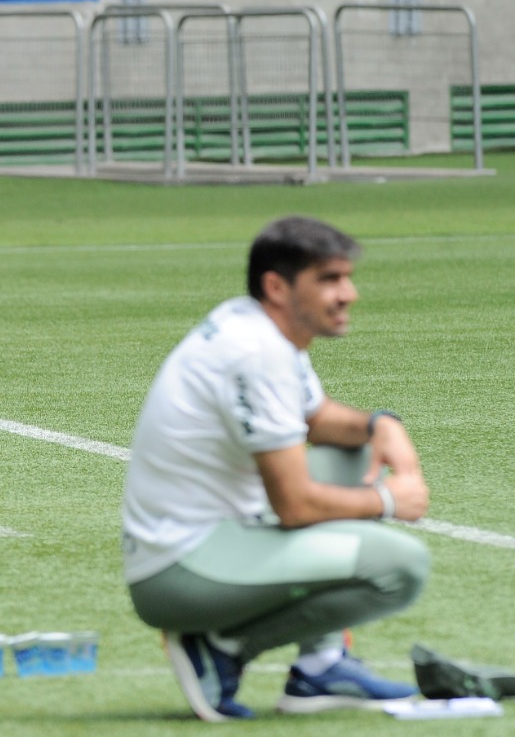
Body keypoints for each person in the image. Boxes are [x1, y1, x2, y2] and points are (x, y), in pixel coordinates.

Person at [121, 215, 432, 721]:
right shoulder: (256, 351)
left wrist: (382, 424)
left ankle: (321, 665)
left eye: (347, 278)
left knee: (350, 452)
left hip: (202, 545)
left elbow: (317, 418)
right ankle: (224, 647)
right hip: (181, 572)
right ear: (277, 286)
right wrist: (390, 501)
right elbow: (295, 505)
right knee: (400, 568)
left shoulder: (256, 326)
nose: (348, 293)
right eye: (329, 280)